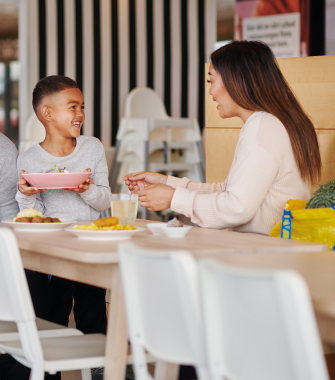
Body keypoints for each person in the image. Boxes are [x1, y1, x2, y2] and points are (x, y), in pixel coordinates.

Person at [124, 40, 321, 235]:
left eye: (211, 81)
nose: (210, 91)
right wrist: (167, 183)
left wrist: (174, 198)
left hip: (263, 255)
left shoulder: (264, 126)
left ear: (236, 79)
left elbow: (237, 208)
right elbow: (228, 191)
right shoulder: (276, 123)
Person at [14, 75, 112, 380]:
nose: (80, 113)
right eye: (73, 106)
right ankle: (48, 371)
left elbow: (104, 200)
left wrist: (86, 189)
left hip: (89, 246)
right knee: (53, 317)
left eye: (82, 106)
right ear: (47, 114)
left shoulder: (92, 147)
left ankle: (99, 369)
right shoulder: (30, 158)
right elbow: (34, 214)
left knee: (92, 314)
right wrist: (25, 195)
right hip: (53, 252)